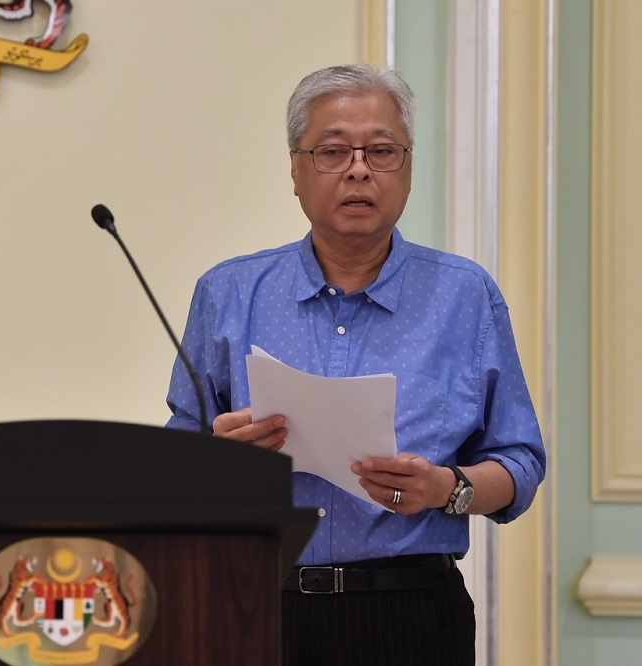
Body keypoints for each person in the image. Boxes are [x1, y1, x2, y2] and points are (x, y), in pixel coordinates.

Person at [165, 63, 546, 666]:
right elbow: (173, 464)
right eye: (333, 151)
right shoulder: (229, 293)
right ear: (296, 171)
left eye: (382, 151)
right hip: (254, 604)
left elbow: (520, 462)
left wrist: (445, 489)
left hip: (410, 614)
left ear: (408, 168)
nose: (359, 169)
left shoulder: (464, 297)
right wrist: (218, 461)